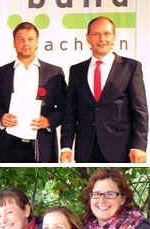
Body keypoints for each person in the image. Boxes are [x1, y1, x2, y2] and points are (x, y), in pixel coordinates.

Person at [60, 16, 148, 163]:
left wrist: (139, 146)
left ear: (114, 37)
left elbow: (140, 111)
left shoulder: (131, 67)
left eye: (107, 34)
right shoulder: (76, 71)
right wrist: (66, 147)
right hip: (85, 150)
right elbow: (70, 113)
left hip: (121, 149)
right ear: (88, 38)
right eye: (96, 34)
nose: (102, 39)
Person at [0, 22, 67, 163]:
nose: (25, 43)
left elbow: (65, 108)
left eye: (30, 39)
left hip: (42, 142)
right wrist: (1, 118)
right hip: (10, 143)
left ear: (37, 42)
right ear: (14, 42)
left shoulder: (54, 73)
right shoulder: (1, 73)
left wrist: (49, 121)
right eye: (21, 39)